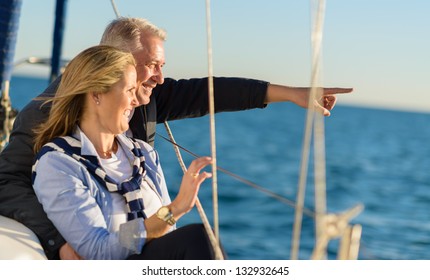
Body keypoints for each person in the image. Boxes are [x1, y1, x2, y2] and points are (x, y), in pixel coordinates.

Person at [0, 17, 352, 259]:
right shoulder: (51, 140)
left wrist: (291, 93)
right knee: (199, 240)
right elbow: (8, 182)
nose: (160, 78)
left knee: (201, 242)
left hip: (140, 244)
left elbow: (210, 92)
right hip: (97, 246)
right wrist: (58, 242)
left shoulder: (140, 135)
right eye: (152, 65)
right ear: (112, 66)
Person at [32, 45, 220, 260]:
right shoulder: (59, 163)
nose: (135, 100)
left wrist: (170, 215)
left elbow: (169, 232)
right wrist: (174, 209)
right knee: (198, 238)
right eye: (130, 90)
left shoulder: (144, 154)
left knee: (202, 240)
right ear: (96, 94)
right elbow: (98, 250)